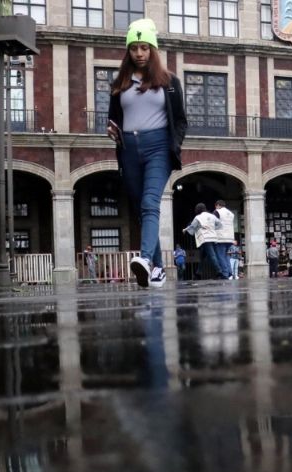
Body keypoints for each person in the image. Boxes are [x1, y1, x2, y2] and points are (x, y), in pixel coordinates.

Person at [107, 18, 187, 288]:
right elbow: (114, 117)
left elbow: (180, 120)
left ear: (153, 49)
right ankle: (158, 270)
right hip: (129, 149)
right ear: (128, 51)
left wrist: (173, 146)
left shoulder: (169, 81)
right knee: (142, 209)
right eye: (134, 48)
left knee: (150, 202)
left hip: (158, 148)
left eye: (144, 47)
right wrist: (112, 130)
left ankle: (143, 260)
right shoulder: (119, 82)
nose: (139, 53)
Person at [183, 203, 219, 279]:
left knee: (212, 256)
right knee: (202, 256)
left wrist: (185, 229)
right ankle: (198, 273)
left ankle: (220, 272)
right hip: (213, 237)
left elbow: (192, 226)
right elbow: (219, 224)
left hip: (205, 238)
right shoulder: (212, 216)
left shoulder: (198, 217)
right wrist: (212, 228)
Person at [212, 200, 235, 280]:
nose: (215, 208)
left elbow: (212, 222)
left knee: (220, 256)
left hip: (221, 237)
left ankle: (225, 273)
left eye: (215, 206)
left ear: (217, 205)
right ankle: (229, 272)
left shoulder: (217, 212)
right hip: (230, 238)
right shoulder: (231, 213)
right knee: (226, 255)